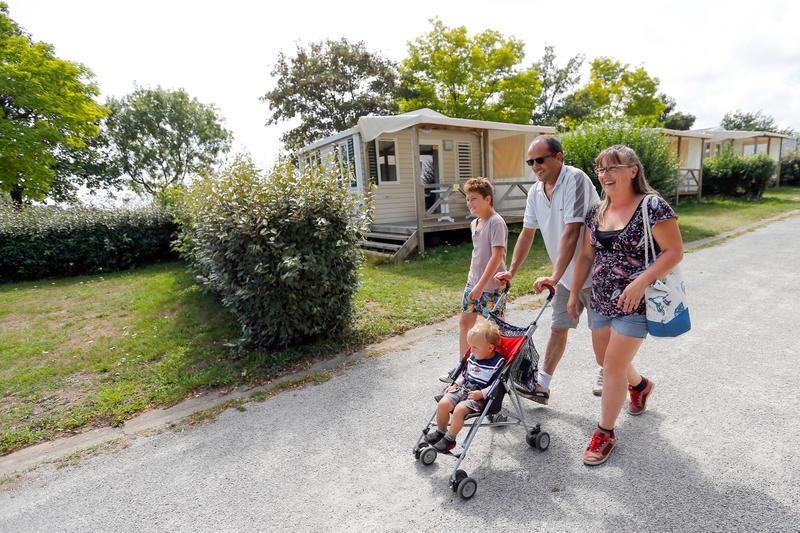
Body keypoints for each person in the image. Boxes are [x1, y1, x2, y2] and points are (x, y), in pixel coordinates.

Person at [568, 144, 684, 466]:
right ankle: (641, 386)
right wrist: (576, 293)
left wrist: (641, 281)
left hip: (636, 300)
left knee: (613, 368)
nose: (605, 174)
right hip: (601, 298)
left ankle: (605, 432)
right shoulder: (596, 211)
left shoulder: (652, 206)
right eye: (601, 168)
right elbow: (587, 255)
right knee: (604, 359)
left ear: (633, 170)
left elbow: (674, 252)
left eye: (613, 167)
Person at [495, 135, 601, 404]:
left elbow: (572, 231)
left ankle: (630, 381)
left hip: (597, 272)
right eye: (530, 162)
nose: (535, 166)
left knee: (603, 338)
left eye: (540, 160)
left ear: (559, 157)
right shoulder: (534, 192)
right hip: (566, 276)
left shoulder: (575, 180)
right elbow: (527, 234)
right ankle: (542, 384)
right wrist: (513, 271)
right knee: (558, 327)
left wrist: (554, 275)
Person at [440, 177, 508, 382]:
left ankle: (496, 371)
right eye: (468, 199)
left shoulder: (496, 222)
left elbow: (496, 257)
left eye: (474, 199)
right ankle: (464, 369)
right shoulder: (475, 223)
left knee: (494, 332)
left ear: (488, 199)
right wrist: (474, 284)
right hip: (473, 284)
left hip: (491, 288)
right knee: (465, 324)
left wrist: (480, 285)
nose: (470, 203)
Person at [426, 319, 506, 452]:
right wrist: (456, 383)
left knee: (459, 410)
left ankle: (450, 439)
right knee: (443, 403)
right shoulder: (473, 357)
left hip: (479, 396)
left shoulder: (497, 363)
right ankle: (441, 431)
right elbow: (464, 374)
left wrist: (482, 393)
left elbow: (497, 385)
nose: (471, 350)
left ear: (490, 348)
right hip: (463, 389)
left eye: (474, 347)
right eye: (471, 346)